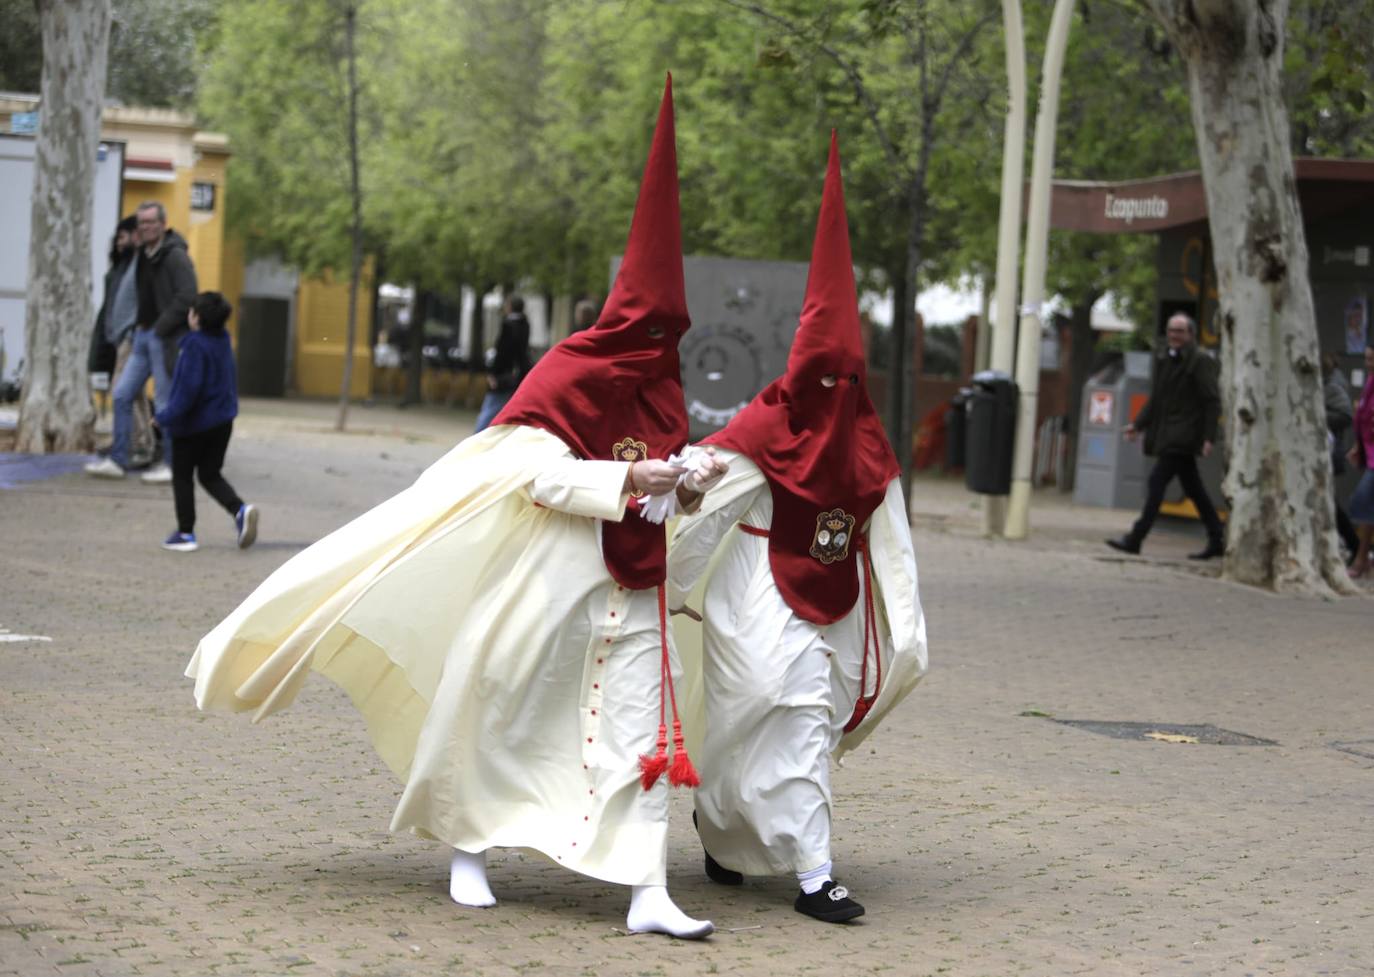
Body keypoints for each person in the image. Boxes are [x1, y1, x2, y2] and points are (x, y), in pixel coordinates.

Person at [184, 77, 727, 939]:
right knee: (501, 703)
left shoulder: (664, 388)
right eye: (652, 328)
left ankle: (645, 886)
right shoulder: (567, 371)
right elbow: (535, 473)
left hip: (635, 591)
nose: (665, 349)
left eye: (674, 333)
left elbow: (664, 481)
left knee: (640, 731)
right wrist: (632, 482)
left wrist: (685, 482)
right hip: (549, 575)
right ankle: (468, 846)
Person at [667, 134, 928, 924]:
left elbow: (891, 542)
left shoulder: (869, 442)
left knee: (805, 715)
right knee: (751, 713)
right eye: (824, 376)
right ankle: (720, 827)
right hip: (754, 593)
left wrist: (903, 623)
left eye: (847, 378)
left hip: (831, 603)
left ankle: (814, 870)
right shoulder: (759, 429)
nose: (835, 393)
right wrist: (675, 582)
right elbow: (706, 511)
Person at [86, 201, 198, 483]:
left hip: (164, 337)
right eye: (142, 223)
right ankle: (118, 460)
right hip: (143, 336)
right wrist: (138, 328)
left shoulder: (175, 256)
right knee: (122, 394)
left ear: (163, 224)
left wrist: (161, 327)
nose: (146, 227)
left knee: (163, 402)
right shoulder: (143, 255)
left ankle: (171, 466)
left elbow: (188, 296)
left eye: (151, 222)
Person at [1106, 313, 1225, 559]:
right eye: (1171, 330)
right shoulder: (1167, 360)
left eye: (1180, 331)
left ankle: (1135, 538)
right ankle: (1217, 538)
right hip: (1170, 434)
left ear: (1190, 334)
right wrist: (1137, 425)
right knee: (1195, 490)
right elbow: (1157, 399)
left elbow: (1211, 401)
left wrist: (1208, 437)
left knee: (1156, 483)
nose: (1174, 335)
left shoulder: (1199, 362)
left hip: (1183, 436)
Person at [153, 292, 258, 553]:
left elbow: (188, 391)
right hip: (222, 422)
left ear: (196, 318)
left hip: (192, 425)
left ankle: (186, 533)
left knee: (183, 477)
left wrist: (164, 418)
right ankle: (239, 510)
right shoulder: (224, 341)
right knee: (210, 474)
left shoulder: (193, 346)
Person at [85, 216, 156, 471]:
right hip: (122, 336)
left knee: (123, 391)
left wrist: (129, 331)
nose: (121, 242)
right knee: (132, 393)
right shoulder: (124, 265)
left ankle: (135, 446)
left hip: (130, 335)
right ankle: (138, 442)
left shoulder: (140, 262)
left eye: (125, 236)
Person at [472, 295, 532, 432]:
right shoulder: (525, 325)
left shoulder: (508, 325)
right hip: (518, 375)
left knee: (490, 408)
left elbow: (503, 352)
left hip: (503, 374)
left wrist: (494, 373)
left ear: (509, 307)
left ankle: (477, 436)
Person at [1321, 353, 1359, 560]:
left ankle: (1353, 543)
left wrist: (1314, 415)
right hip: (1322, 450)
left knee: (1327, 501)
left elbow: (1345, 416)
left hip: (1327, 451)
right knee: (1326, 500)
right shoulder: (1328, 383)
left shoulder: (1332, 386)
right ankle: (1350, 543)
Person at [1345, 343, 1374, 577]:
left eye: (1372, 360)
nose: (1368, 364)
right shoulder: (1370, 384)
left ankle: (1362, 558)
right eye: (1366, 359)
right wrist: (1358, 446)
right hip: (1370, 453)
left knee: (1362, 501)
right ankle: (1362, 558)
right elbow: (1363, 418)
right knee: (1367, 508)